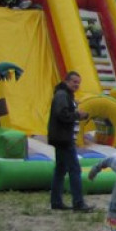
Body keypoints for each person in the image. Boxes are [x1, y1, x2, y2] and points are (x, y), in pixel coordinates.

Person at [48, 71, 94, 212]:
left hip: (60, 137)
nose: (76, 85)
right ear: (66, 81)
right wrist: (77, 115)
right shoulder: (62, 95)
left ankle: (56, 201)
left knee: (60, 170)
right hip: (64, 138)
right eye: (74, 82)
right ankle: (78, 203)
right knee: (75, 169)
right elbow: (62, 114)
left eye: (78, 83)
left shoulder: (64, 94)